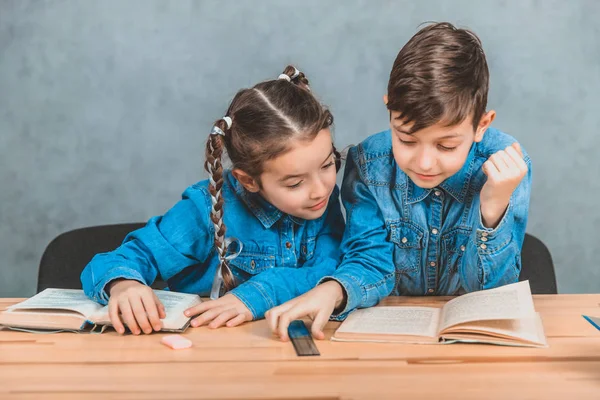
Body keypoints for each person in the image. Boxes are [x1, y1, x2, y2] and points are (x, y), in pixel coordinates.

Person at [81, 66, 345, 335]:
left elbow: (331, 270)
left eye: (327, 165)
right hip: (205, 351)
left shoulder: (322, 202)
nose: (320, 190)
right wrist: (124, 285)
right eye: (295, 183)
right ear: (248, 181)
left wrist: (255, 295)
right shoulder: (203, 209)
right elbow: (117, 260)